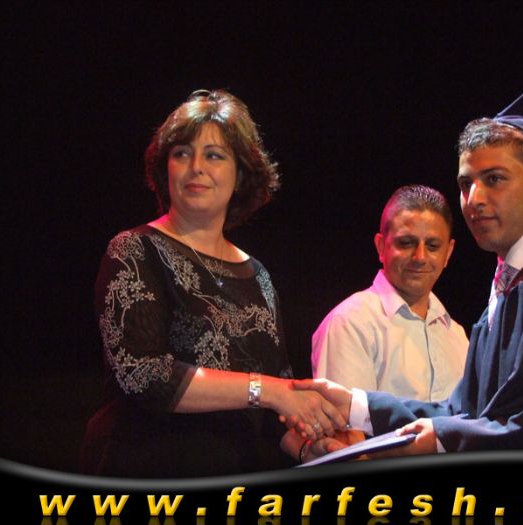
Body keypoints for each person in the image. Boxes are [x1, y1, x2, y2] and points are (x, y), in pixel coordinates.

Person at [293, 79, 523, 460]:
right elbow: (465, 415)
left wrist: (441, 438)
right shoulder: (501, 297)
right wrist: (355, 406)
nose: (473, 199)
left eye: (494, 179)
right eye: (465, 183)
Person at [80, 89, 346, 478]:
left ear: (241, 174)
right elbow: (143, 375)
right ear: (165, 169)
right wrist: (267, 390)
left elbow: (274, 408)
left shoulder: (258, 275)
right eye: (182, 153)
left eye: (214, 155)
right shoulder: (135, 250)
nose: (196, 167)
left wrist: (308, 448)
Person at [311, 184, 468, 402]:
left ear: (448, 253)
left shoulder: (457, 336)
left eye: (432, 246)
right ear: (381, 246)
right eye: (406, 243)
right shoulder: (350, 323)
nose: (420, 257)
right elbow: (345, 420)